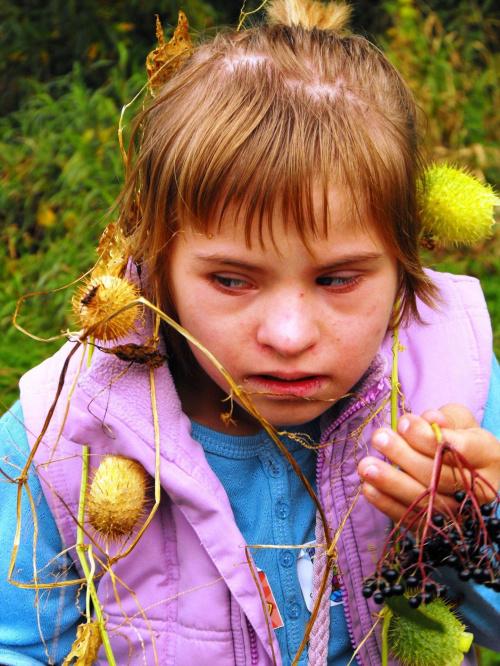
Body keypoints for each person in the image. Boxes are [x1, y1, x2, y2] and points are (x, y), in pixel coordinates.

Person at [1, 0, 499, 664]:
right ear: (158, 266)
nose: (289, 335)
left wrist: (479, 523)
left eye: (337, 278)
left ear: (405, 266)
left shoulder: (457, 393)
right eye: (232, 280)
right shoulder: (58, 438)